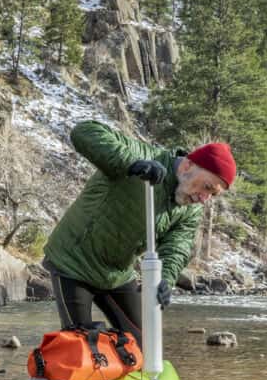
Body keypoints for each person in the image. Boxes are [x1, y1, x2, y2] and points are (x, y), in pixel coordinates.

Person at [42, 120, 235, 340]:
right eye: (207, 186)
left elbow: (177, 247)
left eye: (212, 194)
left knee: (145, 342)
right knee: (81, 344)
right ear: (187, 166)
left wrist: (165, 279)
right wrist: (130, 164)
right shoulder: (144, 157)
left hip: (117, 274)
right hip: (73, 263)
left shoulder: (190, 208)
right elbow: (83, 132)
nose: (204, 198)